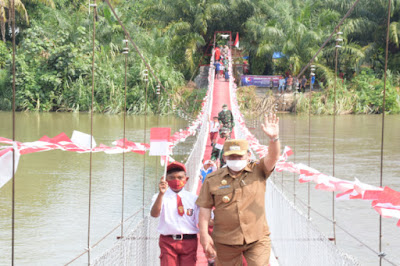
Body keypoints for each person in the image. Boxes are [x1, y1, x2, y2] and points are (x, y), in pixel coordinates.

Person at [196, 113, 281, 266]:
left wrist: (274, 139)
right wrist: (203, 235)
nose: (235, 160)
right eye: (231, 157)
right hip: (225, 240)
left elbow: (273, 157)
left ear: (248, 155)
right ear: (225, 158)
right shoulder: (212, 180)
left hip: (257, 237)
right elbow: (204, 209)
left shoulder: (259, 170)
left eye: (239, 157)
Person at [150, 162, 199, 266]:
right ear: (165, 179)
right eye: (171, 177)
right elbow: (154, 214)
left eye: (180, 177)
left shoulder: (194, 199)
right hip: (168, 241)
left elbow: (201, 220)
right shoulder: (159, 197)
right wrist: (161, 194)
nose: (176, 180)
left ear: (187, 179)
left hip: (189, 241)